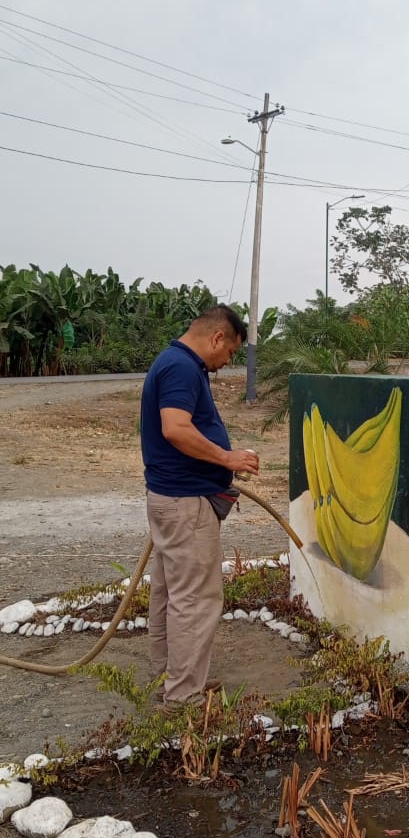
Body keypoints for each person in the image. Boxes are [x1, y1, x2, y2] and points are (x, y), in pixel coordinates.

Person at [140, 304, 259, 712]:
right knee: (195, 600)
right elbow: (175, 429)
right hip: (185, 504)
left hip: (174, 500)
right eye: (230, 353)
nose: (227, 362)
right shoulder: (181, 367)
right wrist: (227, 458)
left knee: (172, 594)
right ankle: (182, 697)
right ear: (217, 337)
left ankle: (171, 679)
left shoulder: (177, 362)